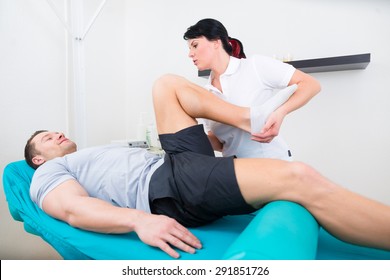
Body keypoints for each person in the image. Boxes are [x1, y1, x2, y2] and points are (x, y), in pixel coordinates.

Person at [26, 74, 390, 259]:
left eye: (56, 130)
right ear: (37, 159)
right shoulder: (48, 174)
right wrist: (140, 220)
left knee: (165, 85)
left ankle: (251, 118)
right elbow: (73, 209)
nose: (56, 133)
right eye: (45, 138)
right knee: (297, 177)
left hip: (175, 165)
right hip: (167, 189)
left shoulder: (94, 151)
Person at [183, 18, 321, 160]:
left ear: (216, 42)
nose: (190, 54)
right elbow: (220, 143)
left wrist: (280, 113)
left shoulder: (254, 66)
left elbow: (311, 84)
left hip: (271, 163)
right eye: (189, 49)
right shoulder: (206, 93)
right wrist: (188, 136)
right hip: (235, 171)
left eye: (195, 45)